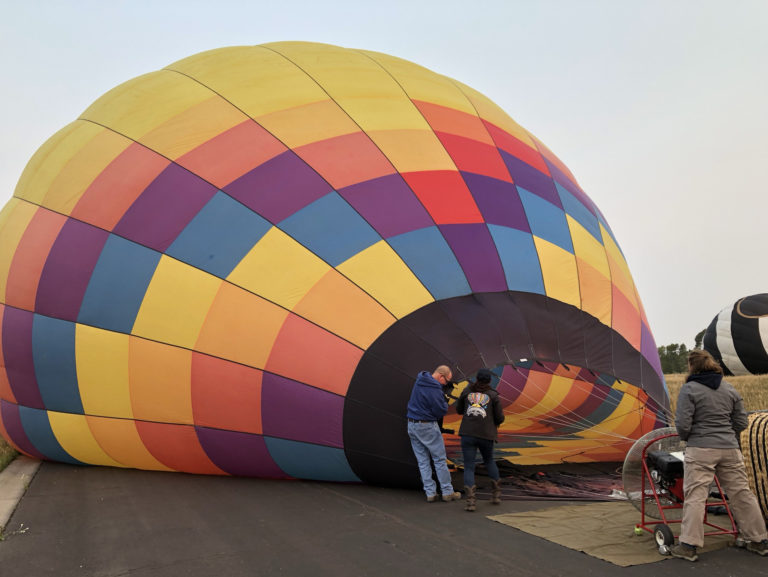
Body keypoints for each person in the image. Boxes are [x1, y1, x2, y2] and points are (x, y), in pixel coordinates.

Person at [671, 349, 768, 561]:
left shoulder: (690, 389)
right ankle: (759, 540)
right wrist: (727, 436)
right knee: (742, 493)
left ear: (692, 366)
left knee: (696, 496)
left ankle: (688, 545)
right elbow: (742, 422)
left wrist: (689, 436)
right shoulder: (729, 388)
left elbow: (683, 424)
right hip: (730, 449)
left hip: (701, 448)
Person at [406, 365, 461, 502]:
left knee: (423, 461)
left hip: (412, 424)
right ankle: (447, 491)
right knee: (439, 459)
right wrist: (444, 402)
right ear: (441, 377)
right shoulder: (435, 389)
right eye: (446, 381)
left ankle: (430, 493)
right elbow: (440, 411)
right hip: (427, 426)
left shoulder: (420, 380)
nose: (445, 384)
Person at [455, 368, 505, 511]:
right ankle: (496, 494)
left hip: (468, 434)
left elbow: (459, 410)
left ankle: (471, 502)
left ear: (476, 378)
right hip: (486, 435)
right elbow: (500, 417)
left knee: (469, 466)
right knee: (489, 460)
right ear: (489, 380)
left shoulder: (466, 391)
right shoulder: (493, 395)